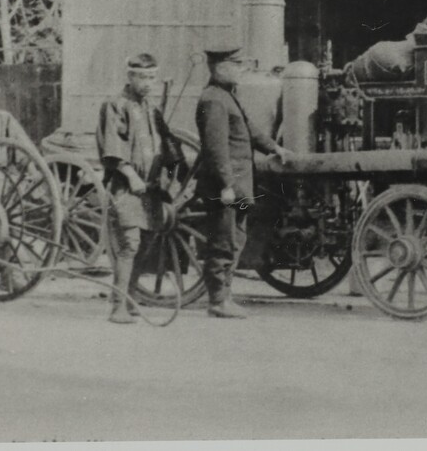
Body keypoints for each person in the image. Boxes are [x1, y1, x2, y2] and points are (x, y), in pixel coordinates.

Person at [195, 44, 292, 319]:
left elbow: (249, 130)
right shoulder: (213, 99)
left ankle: (225, 296)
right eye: (236, 65)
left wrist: (275, 148)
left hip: (237, 185)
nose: (240, 70)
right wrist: (226, 185)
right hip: (225, 187)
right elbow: (216, 150)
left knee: (235, 240)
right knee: (223, 242)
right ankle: (217, 300)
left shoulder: (227, 96)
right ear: (219, 67)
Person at [96, 53, 178, 324]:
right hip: (127, 187)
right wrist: (130, 175)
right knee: (129, 244)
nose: (147, 83)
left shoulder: (151, 109)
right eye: (142, 77)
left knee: (145, 245)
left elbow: (166, 143)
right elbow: (113, 146)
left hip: (151, 188)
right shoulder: (115, 105)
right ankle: (117, 305)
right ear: (129, 76)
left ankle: (130, 298)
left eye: (152, 77)